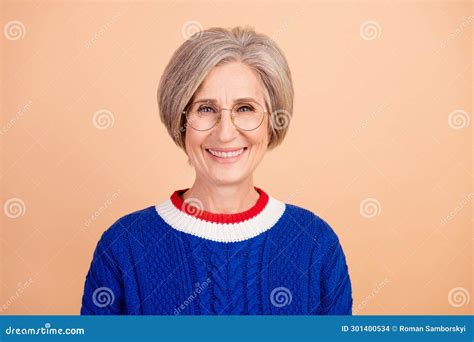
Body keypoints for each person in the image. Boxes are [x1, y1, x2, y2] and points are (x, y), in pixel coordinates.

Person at [80, 26, 352, 315]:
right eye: (206, 109)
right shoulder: (124, 246)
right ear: (180, 121)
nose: (225, 133)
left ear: (272, 122)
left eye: (245, 108)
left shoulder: (314, 243)